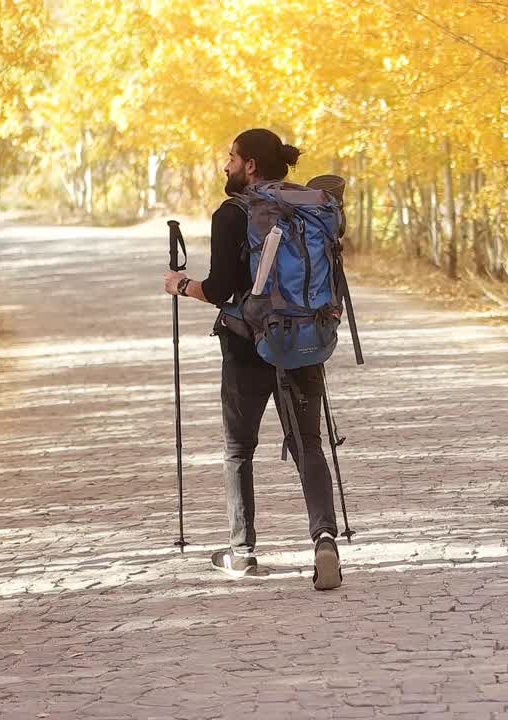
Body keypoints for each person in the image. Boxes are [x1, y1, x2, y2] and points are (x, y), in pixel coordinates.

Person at [162, 128, 342, 590]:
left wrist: (181, 286)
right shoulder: (311, 206)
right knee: (308, 444)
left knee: (239, 448)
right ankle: (324, 539)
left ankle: (242, 551)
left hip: (246, 345)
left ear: (251, 166)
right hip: (303, 338)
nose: (226, 165)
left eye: (231, 157)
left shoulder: (232, 213)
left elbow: (220, 289)